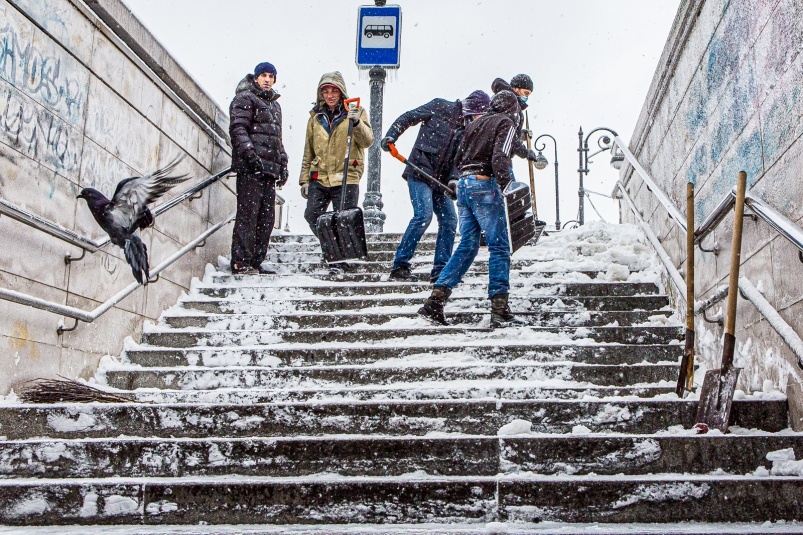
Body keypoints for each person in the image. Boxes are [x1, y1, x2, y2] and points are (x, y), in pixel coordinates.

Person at [418, 90, 527, 328]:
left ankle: (435, 302)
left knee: (467, 245)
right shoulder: (506, 122)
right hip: (485, 184)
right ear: (513, 110)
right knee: (499, 246)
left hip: (465, 186)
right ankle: (500, 309)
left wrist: (528, 153)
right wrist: (507, 185)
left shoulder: (475, 126)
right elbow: (501, 155)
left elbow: (458, 158)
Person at [380, 90, 491, 283]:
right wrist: (391, 136)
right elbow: (409, 117)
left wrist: (455, 180)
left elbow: (460, 160)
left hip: (441, 181)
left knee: (449, 221)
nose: (480, 120)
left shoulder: (468, 131)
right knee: (423, 215)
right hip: (420, 171)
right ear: (472, 108)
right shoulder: (440, 106)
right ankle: (400, 266)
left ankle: (440, 270)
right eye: (480, 115)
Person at [299, 71, 373, 252]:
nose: (330, 95)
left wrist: (356, 123)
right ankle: (336, 251)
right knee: (312, 215)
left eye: (334, 91)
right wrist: (304, 180)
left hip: (347, 175)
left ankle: (340, 257)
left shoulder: (357, 112)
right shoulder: (315, 118)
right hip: (320, 176)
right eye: (325, 91)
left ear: (341, 92)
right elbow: (308, 150)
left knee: (344, 219)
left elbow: (367, 141)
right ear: (321, 94)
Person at [228, 61, 288, 275]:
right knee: (248, 215)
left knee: (266, 219)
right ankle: (241, 261)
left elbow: (276, 138)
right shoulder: (245, 98)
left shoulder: (274, 106)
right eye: (263, 75)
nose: (267, 79)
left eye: (271, 76)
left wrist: (283, 163)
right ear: (255, 78)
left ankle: (254, 261)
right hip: (250, 168)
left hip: (269, 171)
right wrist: (249, 153)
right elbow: (238, 128)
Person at [491, 74, 539, 164]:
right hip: (499, 157)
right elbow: (507, 133)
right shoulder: (509, 100)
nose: (526, 97)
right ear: (516, 88)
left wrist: (520, 134)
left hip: (497, 156)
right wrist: (525, 152)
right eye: (526, 93)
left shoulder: (502, 100)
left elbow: (501, 129)